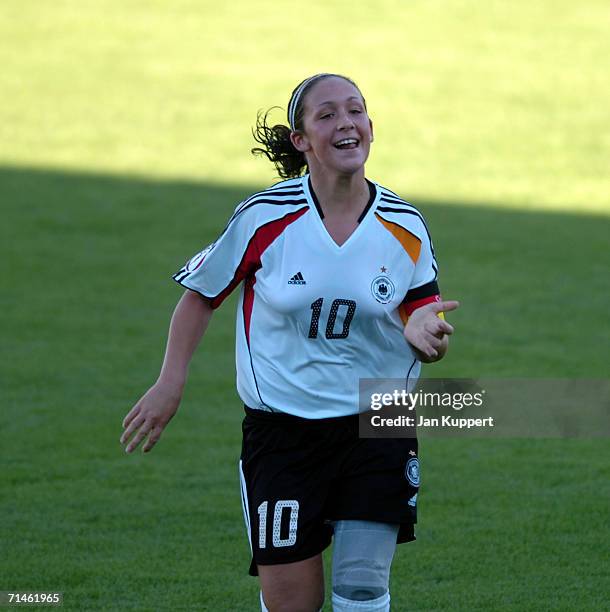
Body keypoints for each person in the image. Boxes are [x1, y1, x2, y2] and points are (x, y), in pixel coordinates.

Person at [120, 73, 458, 612]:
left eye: (356, 111)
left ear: (371, 126)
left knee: (363, 587)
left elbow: (421, 307)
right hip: (284, 433)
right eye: (327, 115)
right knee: (291, 604)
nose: (346, 123)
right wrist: (170, 381)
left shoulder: (405, 225)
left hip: (378, 422)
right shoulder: (265, 219)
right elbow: (201, 296)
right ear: (301, 140)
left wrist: (424, 333)